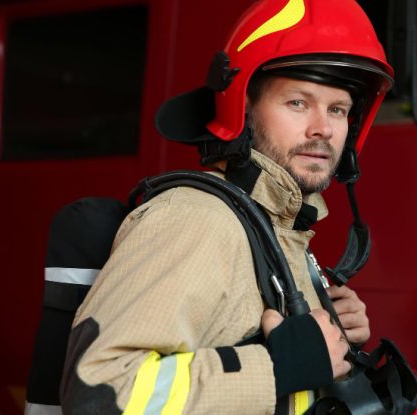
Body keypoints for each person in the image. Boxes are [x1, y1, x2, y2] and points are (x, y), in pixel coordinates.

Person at [59, 0, 394, 413]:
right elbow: (98, 392)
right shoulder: (196, 220)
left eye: (337, 110)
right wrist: (279, 367)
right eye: (298, 103)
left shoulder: (275, 225)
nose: (323, 128)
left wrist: (330, 336)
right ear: (244, 108)